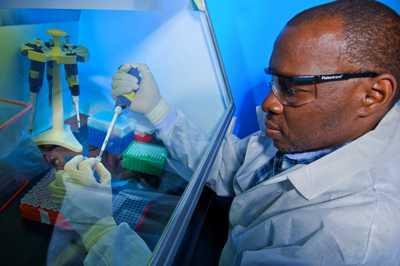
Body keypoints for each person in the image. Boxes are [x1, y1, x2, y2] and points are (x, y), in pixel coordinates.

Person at [53, 0, 400, 265]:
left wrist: (98, 229)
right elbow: (229, 166)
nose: (268, 103)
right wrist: (157, 107)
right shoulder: (319, 130)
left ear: (373, 95)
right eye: (274, 80)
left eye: (292, 87)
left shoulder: (348, 241)